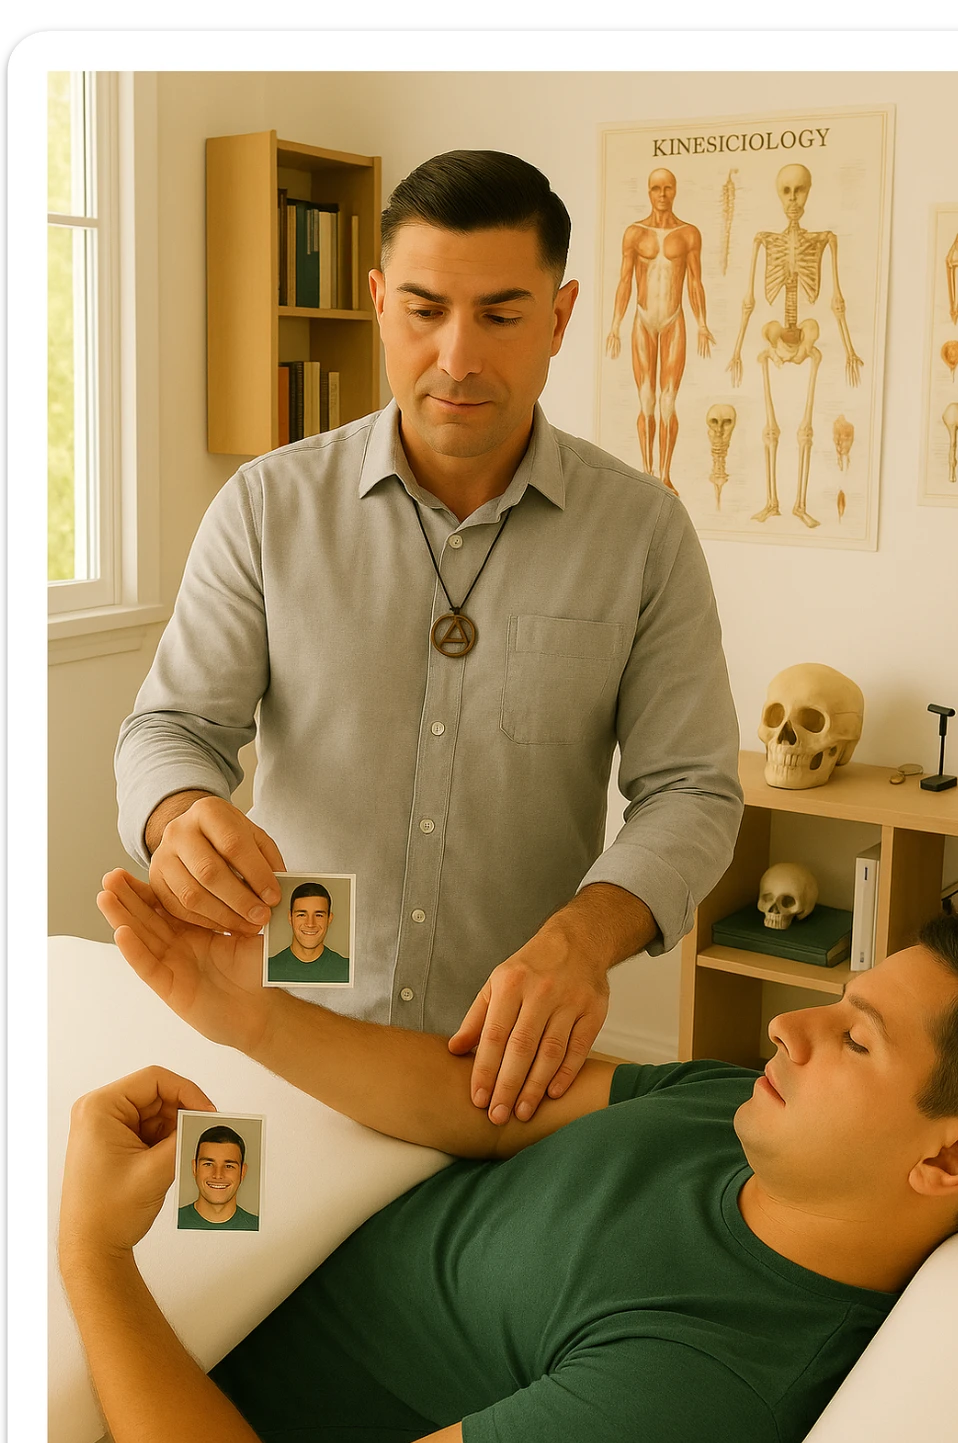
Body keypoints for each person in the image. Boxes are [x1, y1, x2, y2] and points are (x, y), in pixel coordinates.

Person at [114, 149, 742, 1131]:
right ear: (376, 302)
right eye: (423, 310)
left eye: (499, 315)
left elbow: (692, 788)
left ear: (561, 318)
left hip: (504, 1075)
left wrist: (582, 938)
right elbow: (170, 726)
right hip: (288, 1033)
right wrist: (180, 812)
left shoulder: (643, 532)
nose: (457, 356)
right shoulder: (265, 508)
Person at [65, 870, 958, 1443]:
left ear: (949, 1156)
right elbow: (488, 1107)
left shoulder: (697, 1393)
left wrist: (93, 1259)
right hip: (257, 1255)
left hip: (151, 1391)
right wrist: (245, 1015)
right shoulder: (732, 1108)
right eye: (837, 1002)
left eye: (856, 1039)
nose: (787, 1026)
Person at [605, 166, 715, 493]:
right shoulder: (635, 234)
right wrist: (615, 325)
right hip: (643, 319)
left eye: (667, 188)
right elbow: (625, 280)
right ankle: (647, 472)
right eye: (656, 188)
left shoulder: (688, 234)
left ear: (675, 190)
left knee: (668, 403)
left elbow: (695, 281)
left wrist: (703, 324)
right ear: (649, 192)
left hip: (673, 319)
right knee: (646, 401)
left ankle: (664, 475)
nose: (662, 194)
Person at [178, 1125, 259, 1231]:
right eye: (208, 1164)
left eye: (229, 1166)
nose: (218, 1175)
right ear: (194, 1168)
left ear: (242, 1172)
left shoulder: (258, 1227)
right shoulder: (171, 1221)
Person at [267, 883, 350, 984]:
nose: (310, 924)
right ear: (290, 917)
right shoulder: (268, 969)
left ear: (329, 919)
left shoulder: (347, 969)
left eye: (319, 915)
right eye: (302, 915)